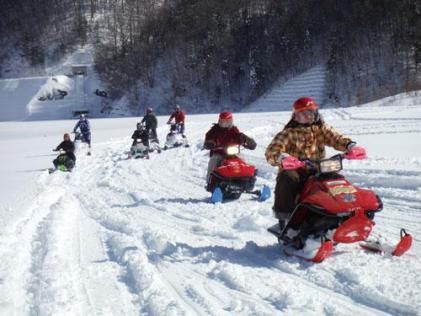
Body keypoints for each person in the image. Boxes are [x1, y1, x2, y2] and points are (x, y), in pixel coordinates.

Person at [265, 97, 360, 228]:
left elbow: (336, 138)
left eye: (310, 112)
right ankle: (286, 219)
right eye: (302, 114)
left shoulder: (321, 128)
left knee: (337, 179)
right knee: (288, 177)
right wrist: (283, 159)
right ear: (295, 116)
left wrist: (350, 146)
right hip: (296, 168)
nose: (307, 116)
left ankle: (346, 212)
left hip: (319, 167)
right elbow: (272, 151)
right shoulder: (288, 132)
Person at [203, 111, 256, 188]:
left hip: (232, 153)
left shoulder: (234, 130)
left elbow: (239, 137)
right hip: (219, 152)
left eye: (227, 122)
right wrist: (210, 143)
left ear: (231, 121)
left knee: (242, 161)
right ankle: (210, 183)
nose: (224, 124)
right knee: (214, 160)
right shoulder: (214, 130)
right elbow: (208, 140)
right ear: (219, 121)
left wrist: (246, 141)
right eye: (222, 122)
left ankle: (246, 180)